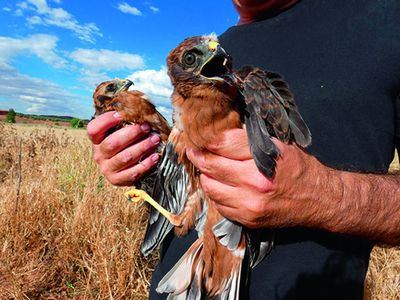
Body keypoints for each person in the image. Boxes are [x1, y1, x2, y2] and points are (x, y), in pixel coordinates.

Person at [87, 0, 400, 299]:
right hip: (182, 283)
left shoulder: (382, 22)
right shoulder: (205, 61)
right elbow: (184, 182)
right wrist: (136, 159)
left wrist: (324, 193)